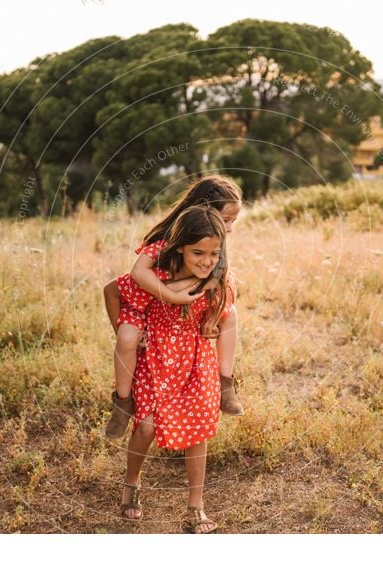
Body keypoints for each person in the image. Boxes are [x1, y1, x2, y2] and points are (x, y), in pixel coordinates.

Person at [118, 205, 232, 533]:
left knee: (198, 428)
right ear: (179, 246)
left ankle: (195, 505)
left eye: (214, 253)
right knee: (146, 427)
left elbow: (223, 312)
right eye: (197, 252)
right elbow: (115, 290)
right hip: (155, 357)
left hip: (195, 361)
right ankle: (132, 482)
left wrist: (212, 320)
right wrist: (125, 332)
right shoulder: (157, 276)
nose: (206, 260)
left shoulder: (216, 279)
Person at [103, 176, 244, 441]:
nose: (230, 229)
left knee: (231, 314)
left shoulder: (214, 248)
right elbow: (130, 278)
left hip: (180, 311)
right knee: (127, 337)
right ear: (203, 211)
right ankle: (123, 403)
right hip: (146, 304)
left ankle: (226, 386)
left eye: (233, 221)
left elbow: (223, 282)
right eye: (226, 220)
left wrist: (211, 315)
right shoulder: (171, 240)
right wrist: (171, 294)